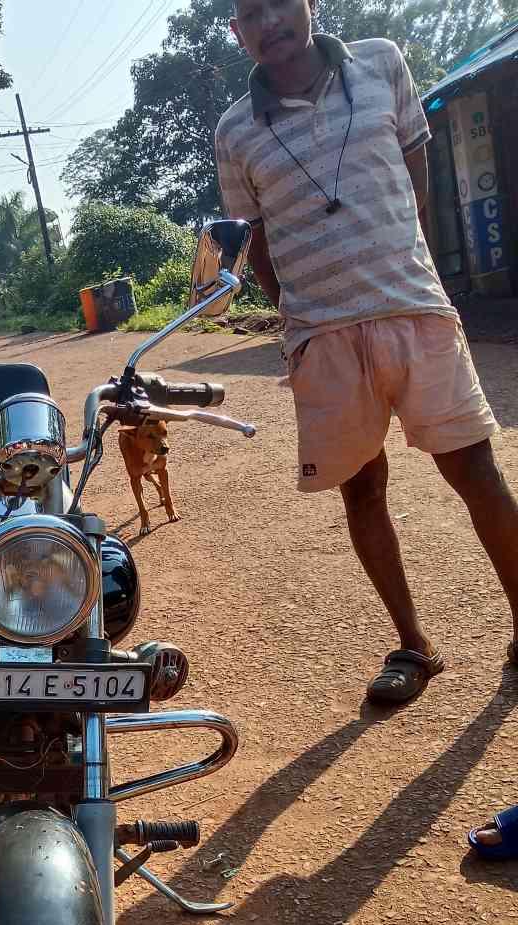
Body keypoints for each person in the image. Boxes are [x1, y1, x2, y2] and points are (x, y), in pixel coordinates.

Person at [214, 0, 518, 704]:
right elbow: (254, 237)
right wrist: (297, 316)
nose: (269, 22)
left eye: (279, 4)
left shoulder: (381, 62)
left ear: (310, 6)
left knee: (476, 473)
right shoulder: (235, 129)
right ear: (237, 32)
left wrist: (408, 268)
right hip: (322, 338)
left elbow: (415, 171)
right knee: (362, 489)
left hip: (414, 313)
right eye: (250, 14)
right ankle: (414, 645)